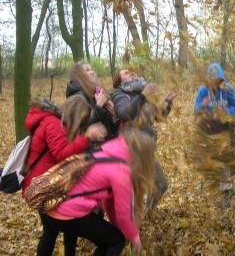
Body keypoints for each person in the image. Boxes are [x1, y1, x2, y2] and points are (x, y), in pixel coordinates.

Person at [39, 127, 156, 255]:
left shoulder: (108, 151)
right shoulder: (122, 171)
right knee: (116, 241)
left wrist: (117, 227)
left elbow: (109, 202)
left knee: (111, 238)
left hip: (53, 205)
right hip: (67, 211)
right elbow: (123, 213)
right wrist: (135, 238)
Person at [22, 96, 107, 256]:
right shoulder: (53, 123)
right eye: (81, 121)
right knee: (50, 232)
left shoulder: (54, 122)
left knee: (56, 229)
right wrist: (86, 137)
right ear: (74, 115)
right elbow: (61, 154)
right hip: (43, 187)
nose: (81, 126)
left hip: (46, 184)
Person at [111, 68, 176, 208]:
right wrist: (143, 95)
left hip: (146, 150)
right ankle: (133, 223)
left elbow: (158, 116)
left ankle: (148, 213)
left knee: (160, 185)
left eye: (132, 71)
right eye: (126, 73)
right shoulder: (119, 94)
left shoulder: (143, 94)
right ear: (119, 81)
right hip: (130, 151)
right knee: (134, 193)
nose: (132, 73)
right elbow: (124, 113)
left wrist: (167, 103)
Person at [193, 63, 235, 208]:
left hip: (226, 130)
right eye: (212, 79)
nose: (215, 82)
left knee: (223, 159)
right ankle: (220, 187)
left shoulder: (228, 89)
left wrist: (225, 111)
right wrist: (202, 105)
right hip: (209, 131)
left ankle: (227, 191)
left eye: (217, 79)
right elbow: (195, 111)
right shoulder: (203, 91)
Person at [66, 61, 118, 140]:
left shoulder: (95, 92)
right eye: (87, 70)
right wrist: (99, 106)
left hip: (105, 144)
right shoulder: (78, 96)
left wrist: (114, 115)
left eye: (91, 69)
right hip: (91, 148)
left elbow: (108, 128)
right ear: (78, 76)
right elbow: (82, 128)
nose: (92, 72)